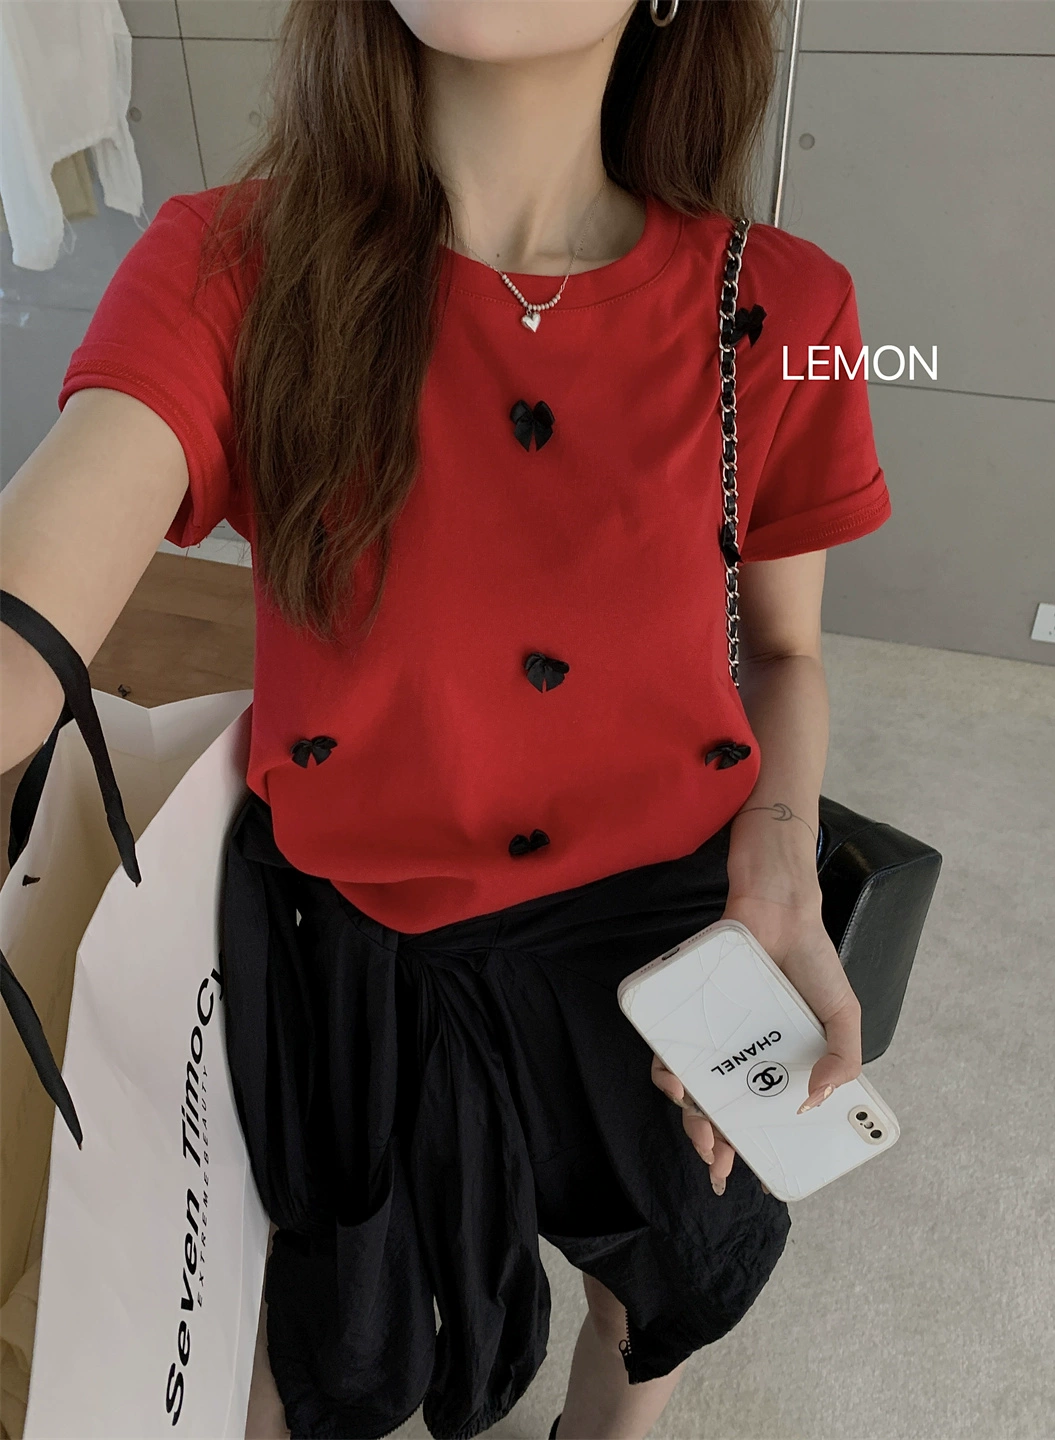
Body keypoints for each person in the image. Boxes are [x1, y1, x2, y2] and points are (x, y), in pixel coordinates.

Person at [0, 2, 892, 1437]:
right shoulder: (230, 267)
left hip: (657, 918)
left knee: (663, 1280)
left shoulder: (800, 311)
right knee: (329, 1342)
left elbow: (785, 650)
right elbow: (21, 632)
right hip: (351, 936)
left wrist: (781, 855)